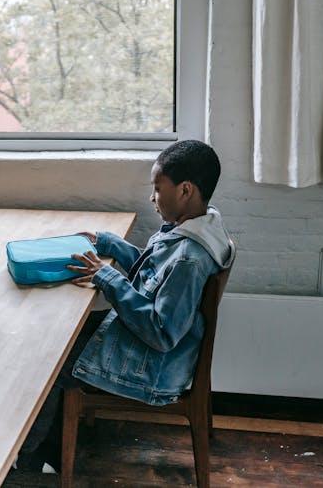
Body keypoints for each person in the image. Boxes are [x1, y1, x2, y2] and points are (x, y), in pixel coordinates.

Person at [16, 139, 234, 473]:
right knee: (56, 335)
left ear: (186, 191)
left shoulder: (190, 258)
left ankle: (29, 460)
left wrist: (108, 278)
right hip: (146, 345)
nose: (152, 197)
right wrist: (109, 244)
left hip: (154, 365)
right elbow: (152, 276)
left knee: (51, 361)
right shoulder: (199, 227)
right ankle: (53, 447)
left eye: (158, 188)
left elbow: (162, 333)